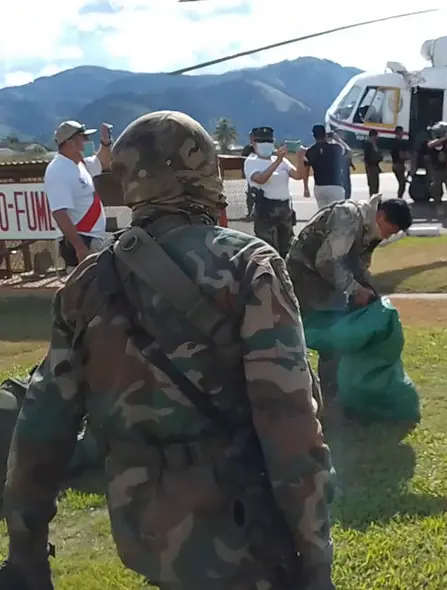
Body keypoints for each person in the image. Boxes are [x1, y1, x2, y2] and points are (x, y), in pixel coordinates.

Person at [0, 111, 334, 590]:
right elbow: (290, 423)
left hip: (143, 530)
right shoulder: (248, 266)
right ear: (202, 174)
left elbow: (42, 425)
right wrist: (316, 556)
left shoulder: (89, 281)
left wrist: (26, 550)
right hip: (242, 529)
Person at [286, 195, 413, 400]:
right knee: (328, 336)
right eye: (390, 231)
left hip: (327, 280)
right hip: (305, 276)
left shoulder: (371, 228)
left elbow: (359, 264)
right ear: (381, 216)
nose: (388, 236)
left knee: (341, 331)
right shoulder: (348, 216)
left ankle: (337, 391)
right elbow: (326, 261)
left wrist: (368, 289)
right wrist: (355, 289)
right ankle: (327, 397)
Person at [43, 121, 113, 271]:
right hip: (82, 239)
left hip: (92, 238)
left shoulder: (80, 164)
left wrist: (105, 143)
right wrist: (79, 247)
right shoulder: (58, 170)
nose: (87, 141)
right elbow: (59, 213)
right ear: (70, 142)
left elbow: (102, 162)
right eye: (83, 137)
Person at [243, 126, 306, 257]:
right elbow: (261, 179)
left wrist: (300, 158)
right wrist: (277, 161)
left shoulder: (282, 161)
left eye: (269, 141)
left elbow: (298, 175)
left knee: (287, 249)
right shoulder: (251, 161)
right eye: (262, 142)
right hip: (266, 209)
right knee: (269, 249)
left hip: (284, 208)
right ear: (253, 143)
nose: (266, 144)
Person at [302, 125, 347, 208]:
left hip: (319, 187)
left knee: (323, 212)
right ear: (325, 134)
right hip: (335, 186)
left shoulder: (310, 151)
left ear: (314, 136)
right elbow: (347, 150)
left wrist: (306, 187)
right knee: (338, 212)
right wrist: (337, 139)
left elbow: (306, 171)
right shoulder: (336, 148)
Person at [421, 122, 447, 216]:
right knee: (437, 190)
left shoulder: (446, 144)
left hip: (445, 169)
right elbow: (430, 145)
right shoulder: (430, 142)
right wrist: (445, 138)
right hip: (436, 170)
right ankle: (439, 207)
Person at [329, 130, 355, 199]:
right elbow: (349, 151)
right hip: (340, 168)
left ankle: (346, 196)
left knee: (346, 184)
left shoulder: (340, 143)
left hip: (343, 167)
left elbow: (349, 152)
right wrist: (339, 140)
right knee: (344, 185)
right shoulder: (335, 144)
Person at [390, 126, 409, 199]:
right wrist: (409, 157)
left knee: (402, 183)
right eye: (402, 132)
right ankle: (399, 198)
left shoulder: (393, 142)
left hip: (395, 164)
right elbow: (401, 155)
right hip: (399, 165)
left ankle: (399, 197)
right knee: (402, 183)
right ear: (399, 132)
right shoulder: (399, 143)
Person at [363, 129, 383, 195]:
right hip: (371, 166)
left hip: (375, 166)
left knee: (376, 184)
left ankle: (374, 196)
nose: (377, 137)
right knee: (373, 185)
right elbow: (367, 158)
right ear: (373, 136)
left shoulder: (374, 144)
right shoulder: (369, 144)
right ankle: (372, 197)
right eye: (376, 136)